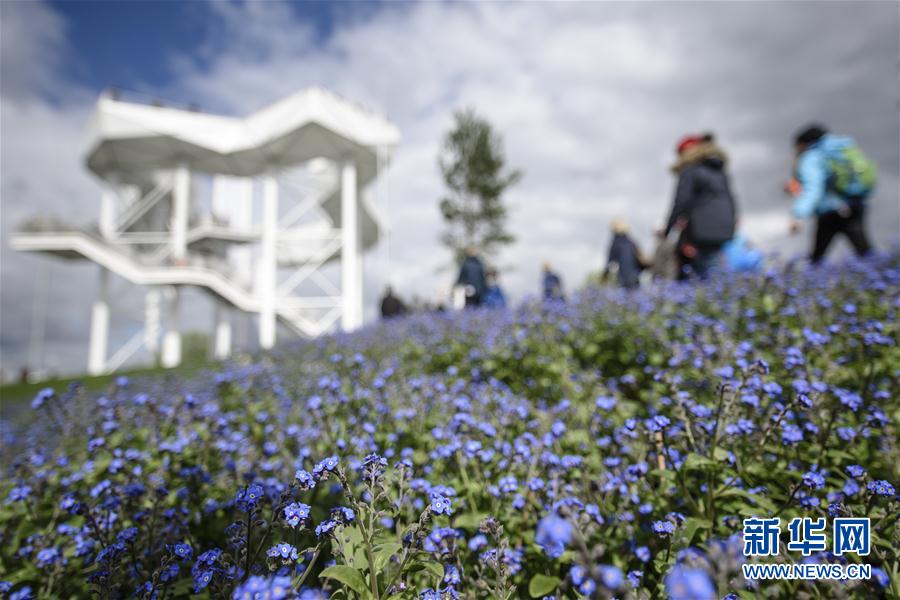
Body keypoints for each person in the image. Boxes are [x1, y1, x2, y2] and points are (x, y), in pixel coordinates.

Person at [787, 124, 875, 263]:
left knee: (817, 259)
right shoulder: (842, 148)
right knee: (865, 252)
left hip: (830, 212)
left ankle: (812, 281)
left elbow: (813, 188)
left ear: (803, 144)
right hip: (855, 206)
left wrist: (799, 215)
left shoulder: (812, 156)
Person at [662, 132, 737, 279]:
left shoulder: (690, 171)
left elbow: (681, 202)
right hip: (724, 226)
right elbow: (731, 199)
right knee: (714, 262)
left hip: (702, 228)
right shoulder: (718, 171)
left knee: (708, 269)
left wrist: (668, 230)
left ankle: (716, 296)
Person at [605, 218, 646, 289]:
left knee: (625, 294)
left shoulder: (615, 243)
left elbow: (610, 261)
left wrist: (605, 275)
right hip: (635, 275)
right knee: (634, 296)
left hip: (623, 276)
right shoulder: (632, 242)